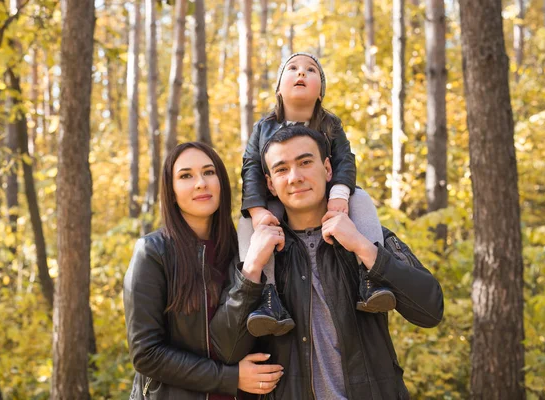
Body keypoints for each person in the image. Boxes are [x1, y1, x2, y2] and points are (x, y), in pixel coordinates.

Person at [212, 125, 444, 399]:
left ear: (328, 169)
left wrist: (362, 247)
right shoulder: (256, 254)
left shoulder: (366, 235)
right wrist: (251, 269)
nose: (295, 177)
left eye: (305, 162)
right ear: (270, 184)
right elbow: (225, 349)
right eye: (282, 169)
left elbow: (430, 310)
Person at [239, 52, 395, 337]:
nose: (301, 73)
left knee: (361, 200)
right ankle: (268, 295)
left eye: (311, 70)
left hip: (329, 195)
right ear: (279, 88)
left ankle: (370, 277)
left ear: (320, 91)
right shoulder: (263, 127)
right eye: (293, 68)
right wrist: (257, 209)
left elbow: (345, 160)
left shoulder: (330, 125)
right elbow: (250, 167)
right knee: (247, 226)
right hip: (277, 199)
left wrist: (339, 194)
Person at [124, 142, 284, 400]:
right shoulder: (152, 252)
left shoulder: (244, 248)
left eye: (209, 172)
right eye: (186, 175)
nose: (201, 183)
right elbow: (146, 354)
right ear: (171, 191)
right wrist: (230, 378)